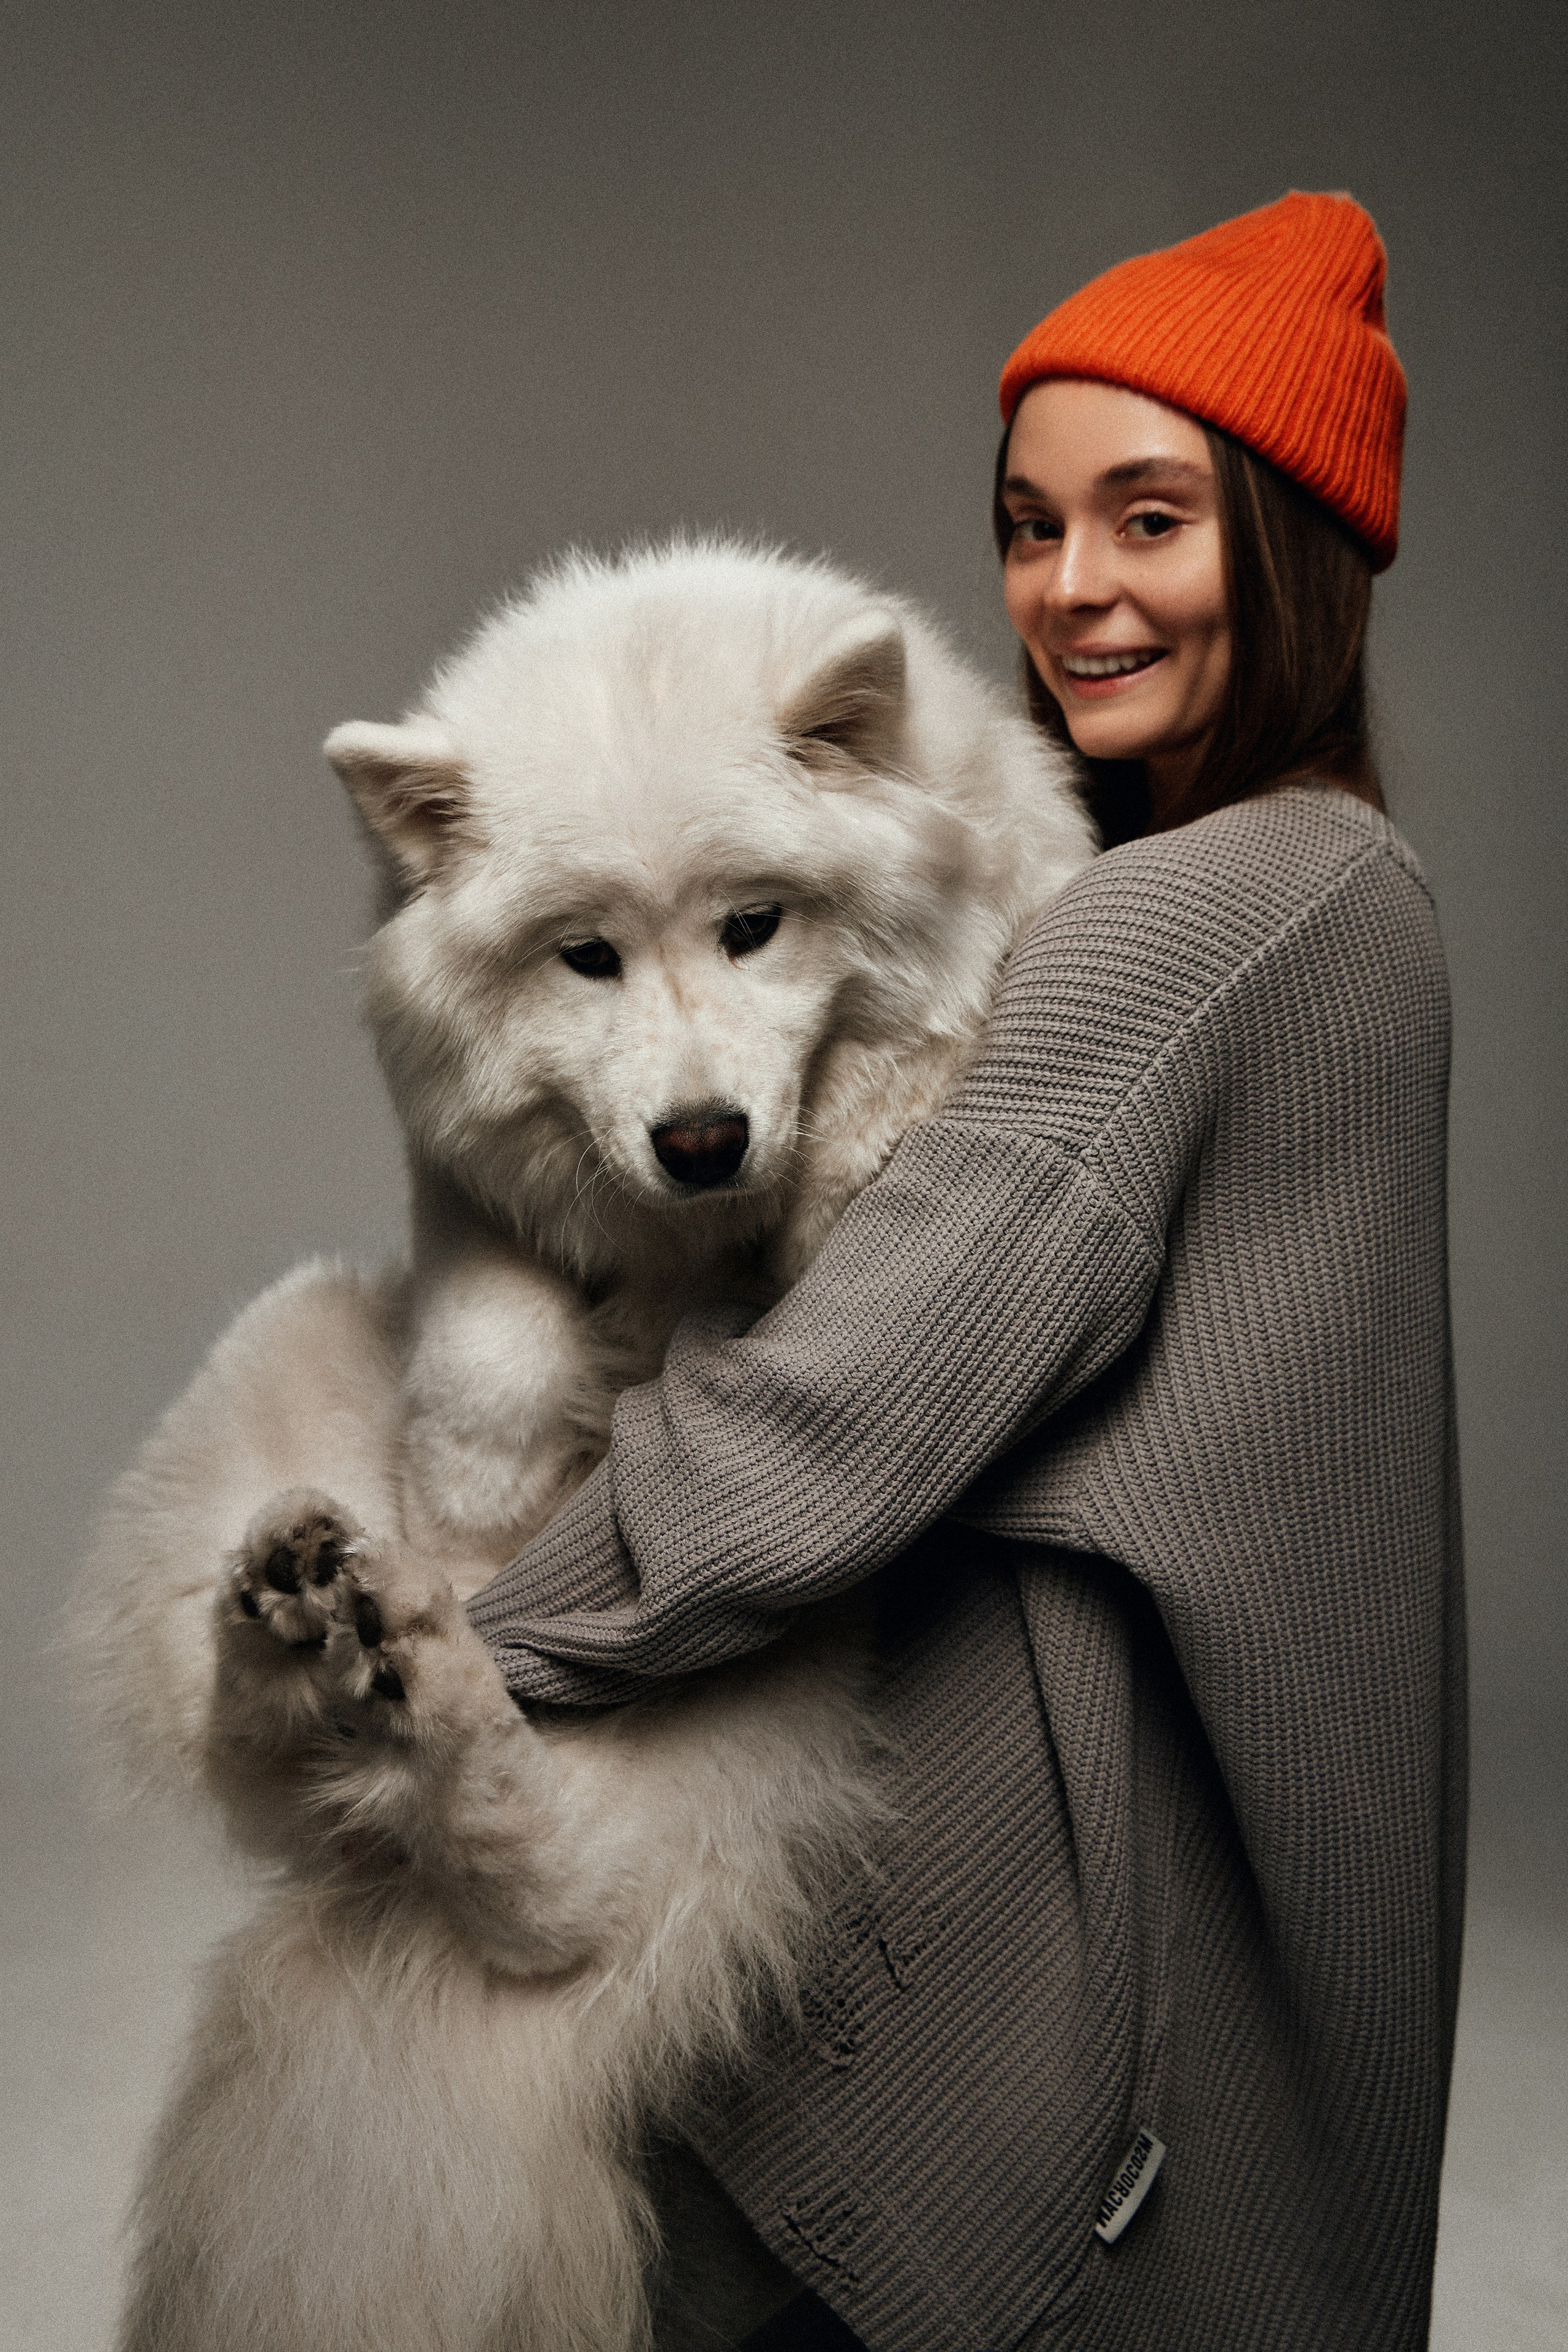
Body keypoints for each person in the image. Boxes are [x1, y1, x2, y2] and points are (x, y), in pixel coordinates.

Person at [469, 192, 1465, 2352]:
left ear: (1292, 544)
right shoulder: (1347, 894)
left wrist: (461, 1647)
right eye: (1030, 526)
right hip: (1270, 1974)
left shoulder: (1199, 924)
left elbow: (833, 1435)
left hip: (1102, 2005)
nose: (1072, 591)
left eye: (1152, 519)